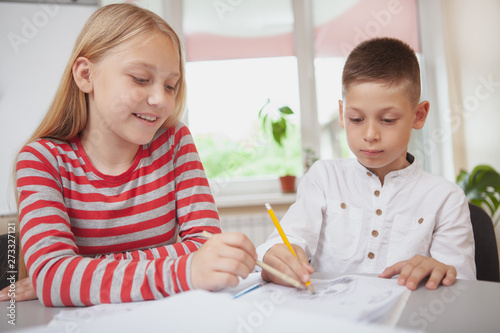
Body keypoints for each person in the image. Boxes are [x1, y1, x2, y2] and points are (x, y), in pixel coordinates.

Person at [0, 3, 256, 307]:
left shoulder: (175, 143)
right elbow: (54, 278)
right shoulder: (41, 161)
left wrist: (80, 272)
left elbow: (205, 246)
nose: (161, 99)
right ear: (85, 75)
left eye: (171, 85)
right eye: (140, 78)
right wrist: (184, 267)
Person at [257, 37, 476, 291]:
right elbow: (286, 241)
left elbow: (464, 287)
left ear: (418, 115)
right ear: (342, 114)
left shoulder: (446, 198)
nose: (370, 134)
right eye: (356, 119)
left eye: (388, 119)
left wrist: (442, 272)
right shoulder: (324, 178)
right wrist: (281, 254)